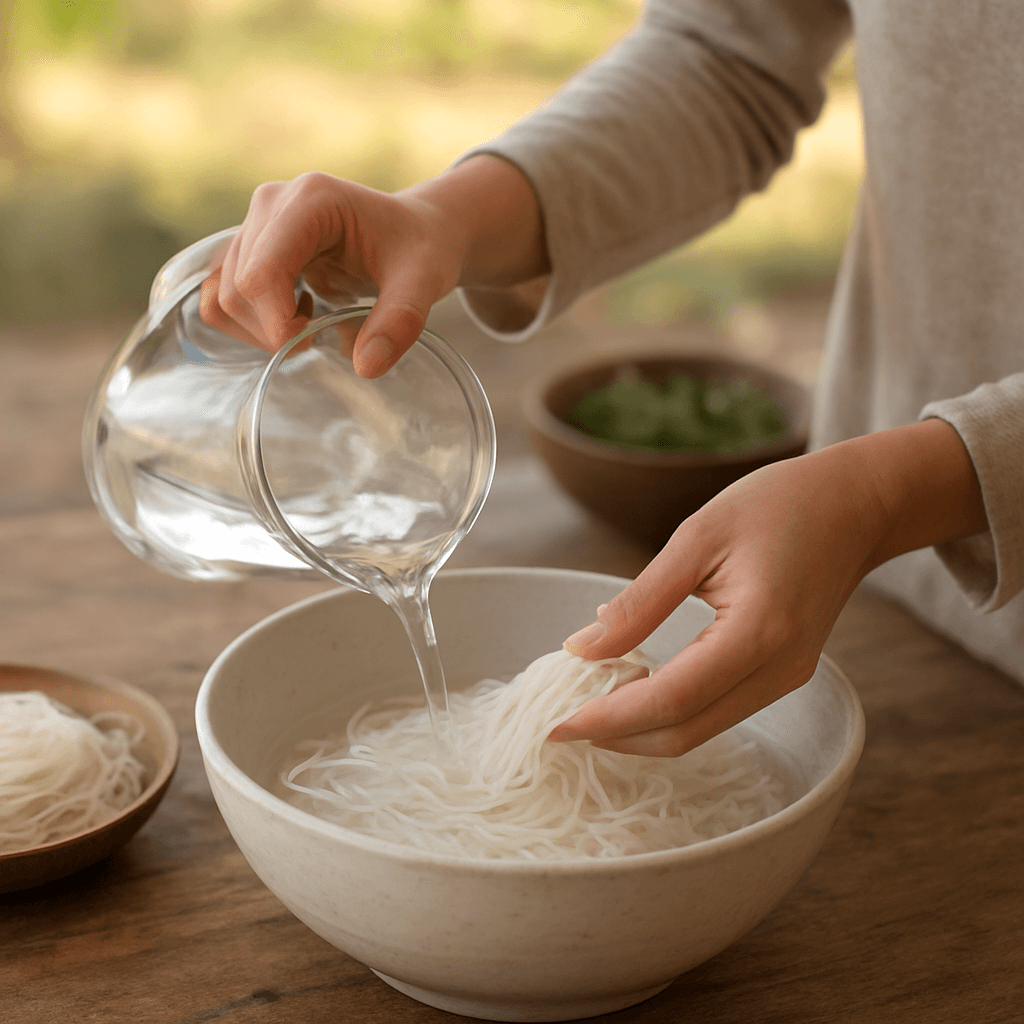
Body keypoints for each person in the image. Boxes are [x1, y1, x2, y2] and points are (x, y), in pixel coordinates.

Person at [200, 0, 1023, 757]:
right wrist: (448, 217)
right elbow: (728, 53)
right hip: (875, 594)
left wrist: (891, 493)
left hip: (858, 541)